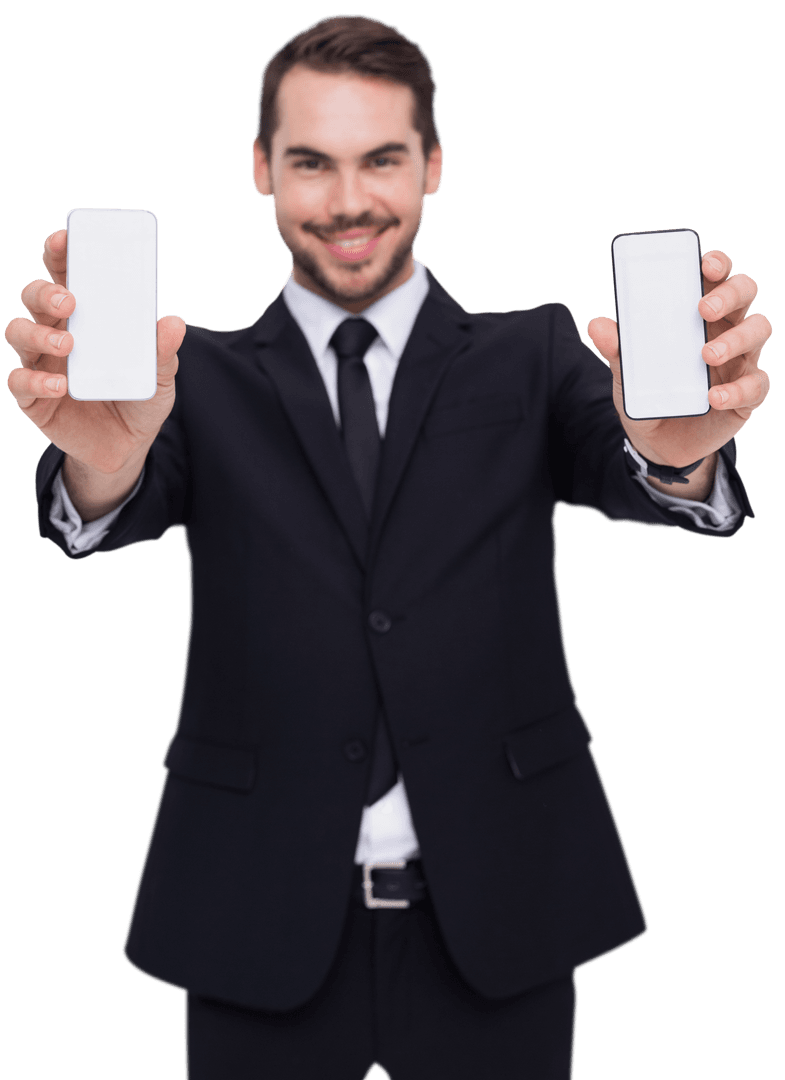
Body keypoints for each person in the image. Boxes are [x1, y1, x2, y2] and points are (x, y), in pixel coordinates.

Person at [5, 13, 771, 1080]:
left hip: (501, 915)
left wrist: (677, 458)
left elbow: (633, 467)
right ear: (262, 169)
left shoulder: (532, 351)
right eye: (311, 162)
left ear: (434, 167)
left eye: (382, 159)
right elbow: (109, 502)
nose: (350, 200)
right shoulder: (194, 379)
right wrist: (102, 460)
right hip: (251, 913)